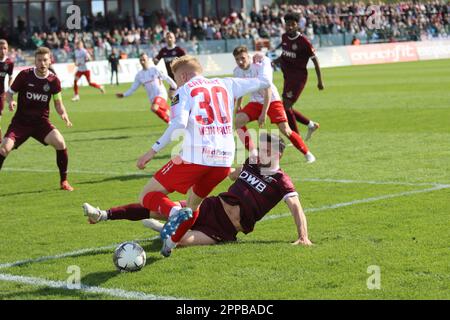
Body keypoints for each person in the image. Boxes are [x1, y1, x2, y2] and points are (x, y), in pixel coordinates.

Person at [84, 55, 270, 257]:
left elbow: (178, 125)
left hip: (195, 156)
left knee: (147, 196)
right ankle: (171, 243)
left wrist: (152, 151)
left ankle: (173, 212)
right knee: (193, 204)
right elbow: (265, 81)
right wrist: (265, 61)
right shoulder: (227, 83)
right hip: (224, 161)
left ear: (183, 76)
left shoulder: (183, 91)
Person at [83, 133, 312, 249]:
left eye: (265, 151)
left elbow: (296, 208)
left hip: (224, 230)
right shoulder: (250, 164)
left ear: (278, 155)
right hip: (210, 206)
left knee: (180, 240)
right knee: (153, 208)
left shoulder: (282, 181)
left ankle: (164, 229)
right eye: (260, 149)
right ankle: (103, 214)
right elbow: (230, 172)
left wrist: (303, 237)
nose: (259, 154)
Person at [0, 47, 74, 191]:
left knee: (60, 143)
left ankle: (63, 181)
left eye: (45, 60)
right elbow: (9, 93)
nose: (42, 63)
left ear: (50, 60)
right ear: (35, 60)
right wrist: (11, 101)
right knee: (3, 149)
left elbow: (58, 103)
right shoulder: (24, 75)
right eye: (39, 60)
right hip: (21, 123)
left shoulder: (53, 80)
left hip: (41, 123)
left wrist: (63, 114)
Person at [233, 46, 315, 163]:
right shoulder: (237, 71)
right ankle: (253, 152)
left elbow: (268, 90)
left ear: (248, 56)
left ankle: (307, 153)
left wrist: (263, 114)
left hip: (272, 100)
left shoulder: (258, 66)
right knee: (238, 121)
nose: (240, 62)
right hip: (255, 102)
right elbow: (240, 89)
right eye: (237, 59)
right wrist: (238, 106)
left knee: (285, 129)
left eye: (243, 58)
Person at [273, 12, 323, 141]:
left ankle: (296, 137)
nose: (289, 27)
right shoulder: (284, 37)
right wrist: (272, 62)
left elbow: (315, 61)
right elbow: (284, 56)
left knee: (286, 107)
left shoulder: (303, 42)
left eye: (292, 24)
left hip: (298, 78)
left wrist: (320, 81)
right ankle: (310, 125)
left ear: (297, 25)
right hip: (287, 77)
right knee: (286, 107)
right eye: (287, 24)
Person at [116, 53, 177, 124]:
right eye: (141, 60)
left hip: (161, 94)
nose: (142, 61)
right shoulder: (139, 75)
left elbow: (166, 78)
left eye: (144, 59)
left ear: (148, 60)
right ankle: (175, 121)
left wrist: (175, 86)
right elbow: (133, 88)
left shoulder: (154, 69)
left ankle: (170, 123)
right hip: (152, 98)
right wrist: (124, 95)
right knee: (167, 112)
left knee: (154, 108)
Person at [0, 39, 14, 144]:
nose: (3, 50)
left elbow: (10, 77)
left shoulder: (9, 63)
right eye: (0, 48)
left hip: (1, 94)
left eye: (4, 48)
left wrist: (9, 90)